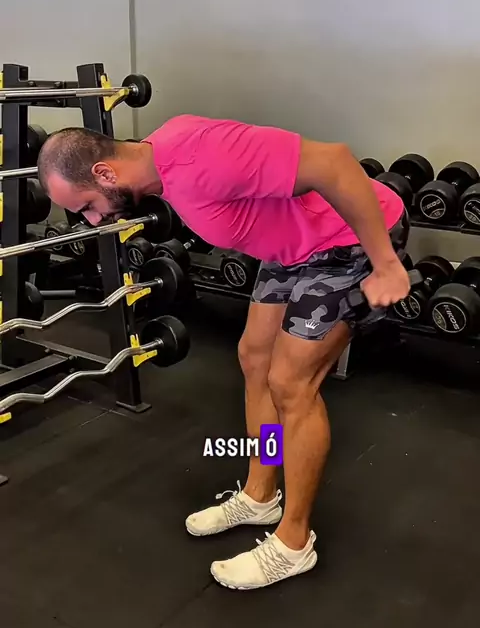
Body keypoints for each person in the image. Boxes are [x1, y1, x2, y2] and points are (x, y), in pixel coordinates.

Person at [38, 116, 410, 591]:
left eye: (88, 206)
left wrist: (385, 262)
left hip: (349, 241)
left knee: (290, 383)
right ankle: (260, 495)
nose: (94, 220)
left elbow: (334, 161)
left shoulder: (202, 156)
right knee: (255, 359)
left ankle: (294, 543)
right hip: (296, 249)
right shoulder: (159, 167)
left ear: (105, 173)